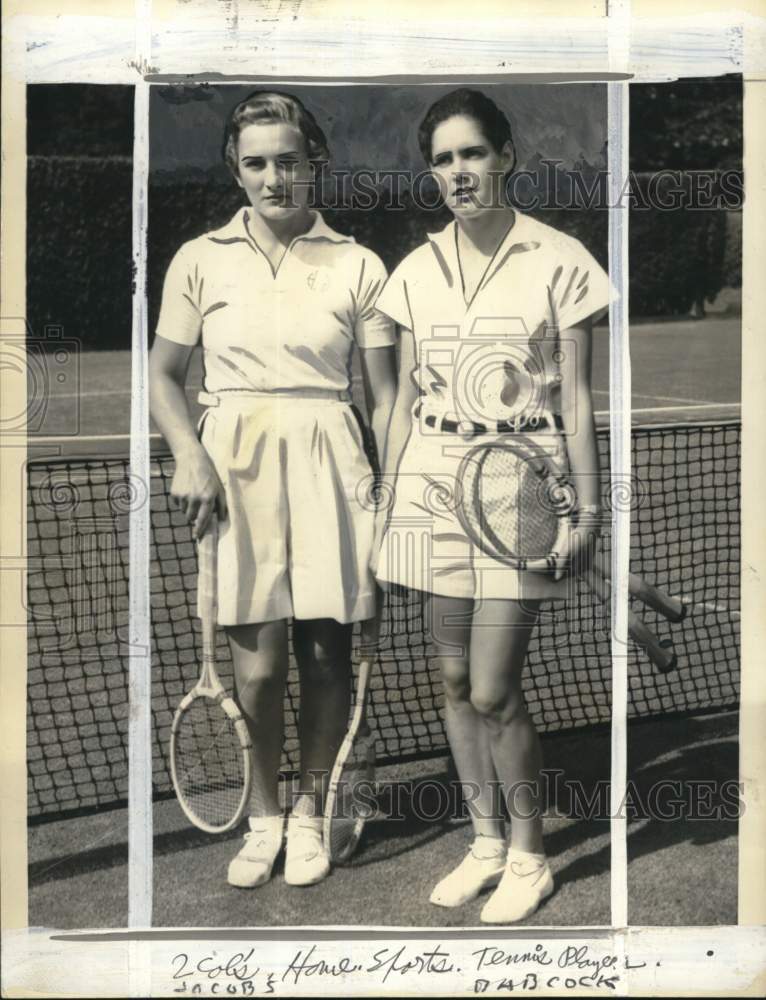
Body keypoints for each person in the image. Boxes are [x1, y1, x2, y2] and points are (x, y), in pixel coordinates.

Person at [373, 88, 611, 923]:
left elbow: (578, 402)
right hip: (430, 481)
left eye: (473, 153)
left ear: (506, 155)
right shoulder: (414, 268)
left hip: (521, 486)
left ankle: (529, 854)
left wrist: (587, 513)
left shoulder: (562, 260)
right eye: (442, 159)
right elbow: (402, 398)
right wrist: (387, 505)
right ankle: (482, 840)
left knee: (493, 685)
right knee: (449, 676)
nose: (458, 172)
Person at [149, 90, 397, 889]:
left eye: (288, 160)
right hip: (232, 464)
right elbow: (162, 376)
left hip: (332, 459)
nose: (273, 177)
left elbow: (385, 396)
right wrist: (188, 453)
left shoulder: (360, 263)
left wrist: (388, 487)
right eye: (255, 162)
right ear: (235, 169)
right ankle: (262, 814)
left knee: (326, 657)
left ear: (312, 161)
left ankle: (311, 811)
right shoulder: (198, 257)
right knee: (255, 671)